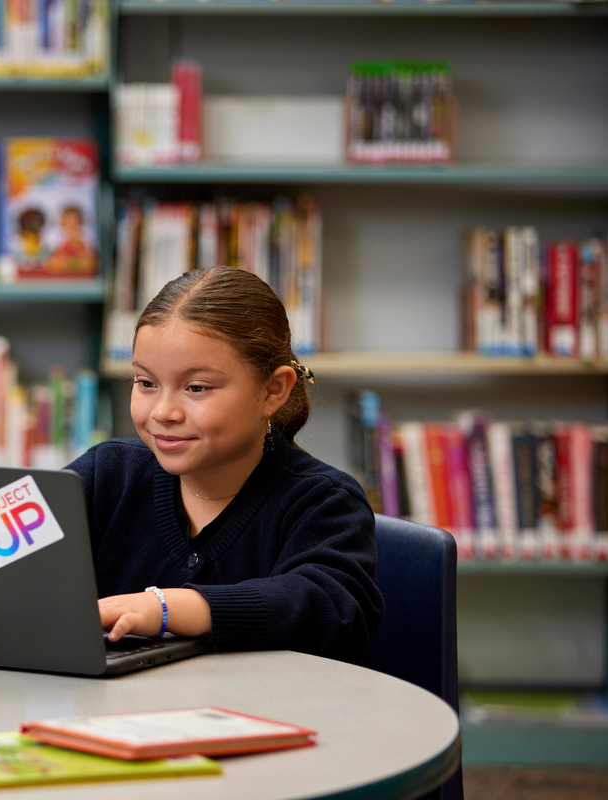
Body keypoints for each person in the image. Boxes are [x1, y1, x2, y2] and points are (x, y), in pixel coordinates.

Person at [68, 267, 383, 664]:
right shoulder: (104, 474)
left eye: (197, 388)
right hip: (108, 715)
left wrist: (170, 608)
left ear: (273, 390)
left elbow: (328, 609)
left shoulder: (323, 501)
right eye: (146, 383)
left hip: (267, 718)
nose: (163, 411)